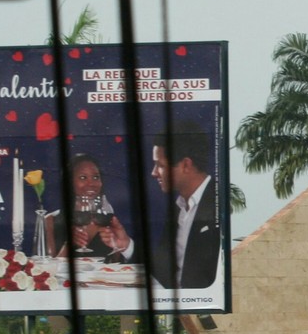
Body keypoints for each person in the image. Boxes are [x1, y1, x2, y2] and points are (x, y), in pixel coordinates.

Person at [146, 120, 221, 289]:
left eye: (160, 165)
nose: (153, 173)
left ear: (186, 165)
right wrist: (126, 245)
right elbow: (161, 268)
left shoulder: (221, 203)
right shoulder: (178, 207)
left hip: (202, 309)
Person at [47, 154, 131, 259]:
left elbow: (119, 265)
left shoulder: (110, 219)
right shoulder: (50, 221)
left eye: (96, 177)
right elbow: (47, 270)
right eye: (83, 177)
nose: (91, 183)